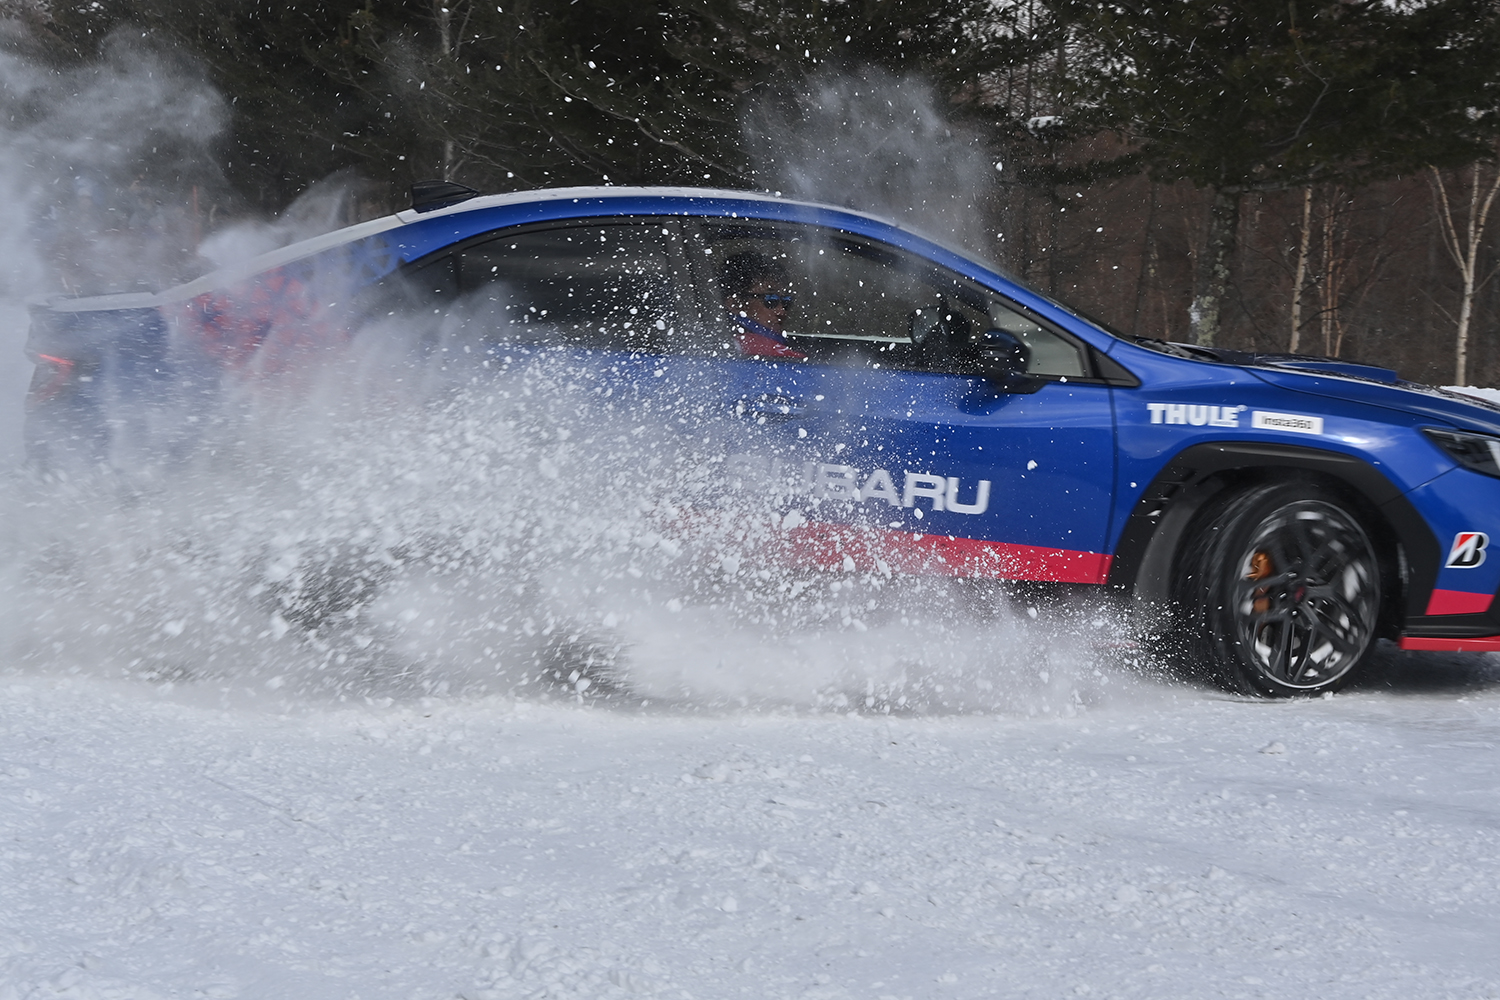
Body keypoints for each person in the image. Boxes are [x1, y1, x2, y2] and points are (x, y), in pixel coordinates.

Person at [719, 251, 807, 360]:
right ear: (735, 304)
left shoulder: (722, 343)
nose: (782, 311)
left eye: (786, 301)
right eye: (770, 299)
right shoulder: (756, 349)